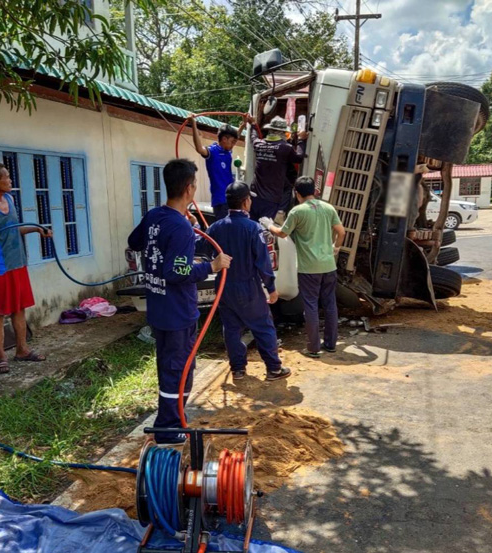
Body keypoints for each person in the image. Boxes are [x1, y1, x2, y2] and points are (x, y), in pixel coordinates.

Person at [128, 159, 232, 444]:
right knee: (179, 370)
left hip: (159, 309)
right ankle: (169, 427)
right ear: (189, 188)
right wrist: (211, 267)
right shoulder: (180, 227)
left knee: (171, 368)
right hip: (177, 313)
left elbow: (135, 242)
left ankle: (172, 420)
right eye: (195, 185)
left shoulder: (155, 216)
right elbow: (177, 271)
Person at [206, 181, 291, 381]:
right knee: (263, 326)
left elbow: (204, 248)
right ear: (245, 202)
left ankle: (238, 369)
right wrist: (271, 287)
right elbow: (263, 262)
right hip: (248, 287)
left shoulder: (216, 227)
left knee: (232, 329)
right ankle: (273, 369)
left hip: (224, 287)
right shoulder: (253, 228)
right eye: (249, 199)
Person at [0, 162, 51, 373]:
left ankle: (22, 350)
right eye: (7, 177)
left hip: (18, 262)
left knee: (19, 308)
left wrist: (36, 229)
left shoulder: (10, 199)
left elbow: (14, 230)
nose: (10, 181)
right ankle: (1, 357)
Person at [264, 177, 345, 358]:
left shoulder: (297, 212)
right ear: (314, 191)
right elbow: (341, 232)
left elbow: (283, 233)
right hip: (329, 266)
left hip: (309, 269)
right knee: (330, 304)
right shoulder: (328, 208)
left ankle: (313, 348)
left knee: (311, 306)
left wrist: (269, 225)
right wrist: (336, 247)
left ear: (297, 193)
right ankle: (331, 344)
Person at [186, 115, 248, 221]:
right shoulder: (213, 152)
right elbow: (199, 149)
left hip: (231, 198)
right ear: (224, 139)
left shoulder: (227, 151)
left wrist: (242, 126)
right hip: (220, 200)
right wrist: (193, 124)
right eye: (232, 142)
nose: (234, 144)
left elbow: (235, 137)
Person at [249, 116, 308, 221]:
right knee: (264, 228)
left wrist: (253, 124)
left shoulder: (258, 144)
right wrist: (301, 140)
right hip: (271, 199)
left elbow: (253, 137)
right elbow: (298, 158)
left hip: (254, 196)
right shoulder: (285, 148)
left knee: (252, 224)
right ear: (281, 133)